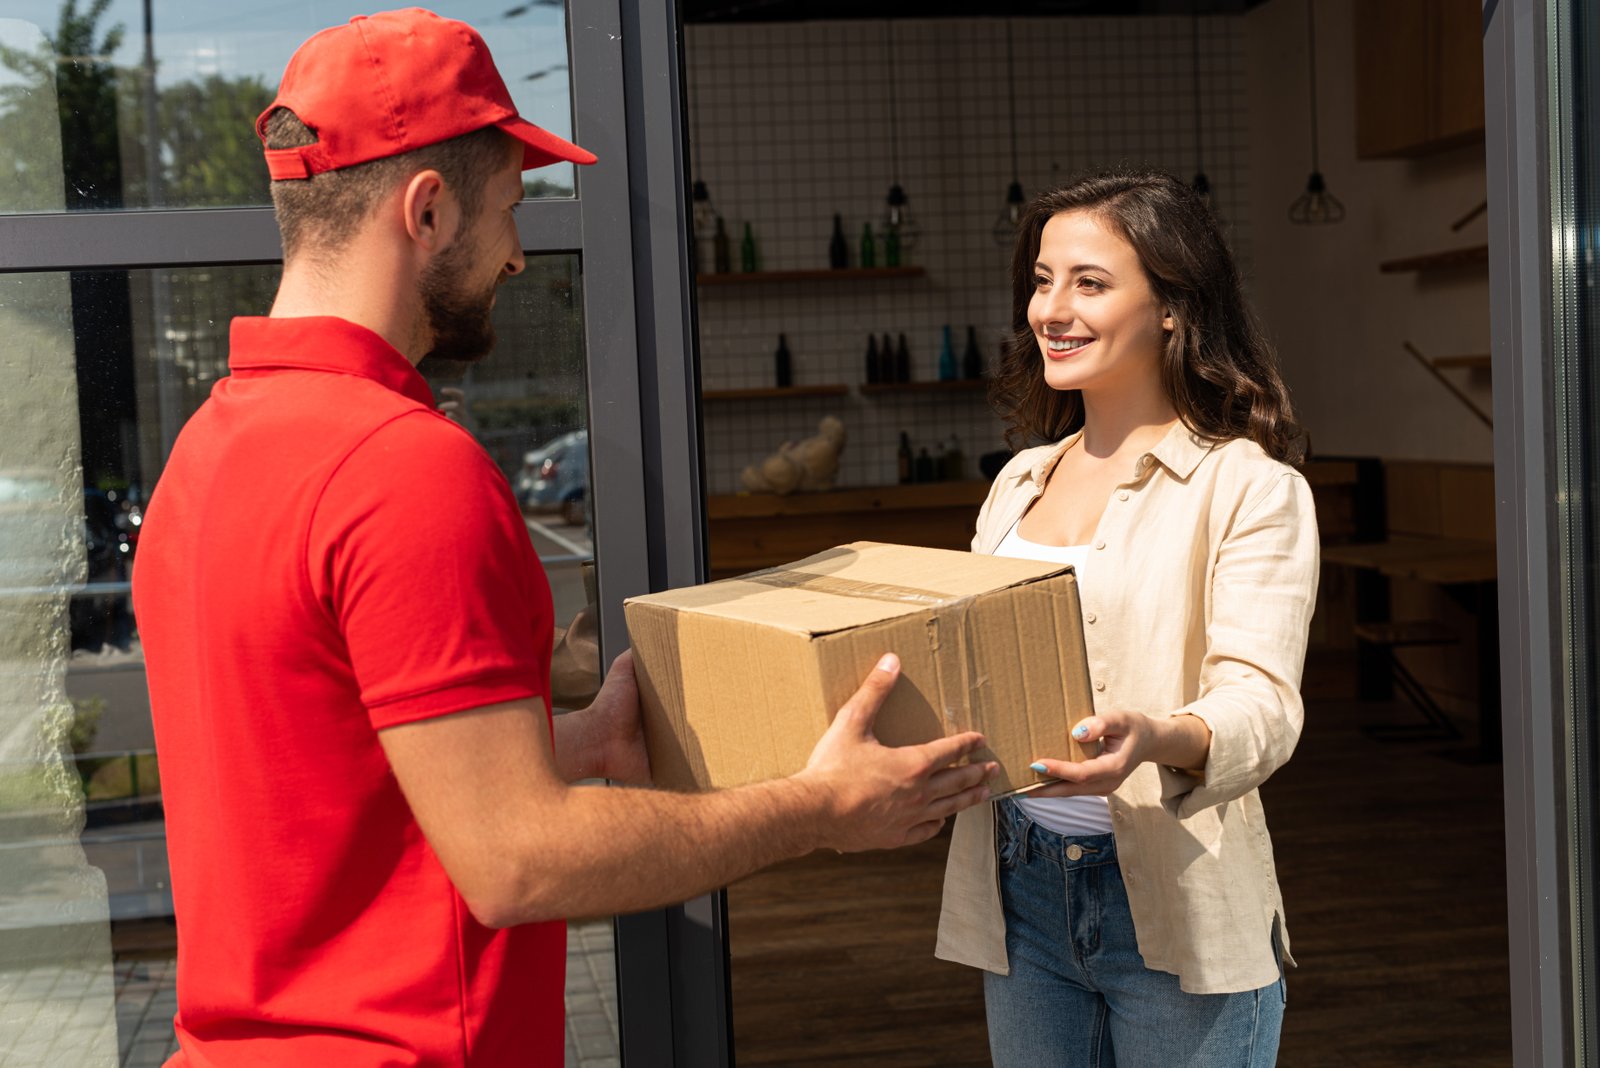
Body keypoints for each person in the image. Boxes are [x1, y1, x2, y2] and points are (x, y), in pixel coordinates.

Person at [131, 10, 995, 1066]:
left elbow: (322, 771)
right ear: (429, 210)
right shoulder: (404, 469)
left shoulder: (207, 453)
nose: (521, 253)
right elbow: (518, 864)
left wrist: (580, 743)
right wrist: (820, 806)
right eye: (509, 209)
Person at [934, 170, 1319, 1067]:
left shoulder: (1248, 488)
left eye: (1090, 282)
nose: (1052, 310)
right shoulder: (1018, 481)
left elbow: (1262, 708)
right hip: (1019, 886)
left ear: (1174, 307)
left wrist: (1153, 734)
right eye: (1041, 279)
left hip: (1176, 895)